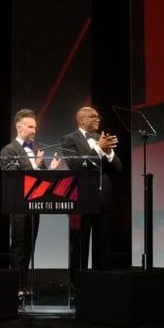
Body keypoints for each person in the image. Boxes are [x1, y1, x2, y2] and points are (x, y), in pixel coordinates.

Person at [0, 109, 61, 300]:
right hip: (19, 206)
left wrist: (48, 170)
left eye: (35, 126)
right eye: (30, 126)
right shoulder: (9, 150)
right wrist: (34, 166)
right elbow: (12, 176)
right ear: (19, 127)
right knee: (18, 247)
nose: (34, 129)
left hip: (35, 207)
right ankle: (15, 286)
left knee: (29, 246)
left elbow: (40, 181)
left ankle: (24, 285)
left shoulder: (34, 152)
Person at [60, 106, 122, 272]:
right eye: (93, 116)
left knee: (104, 243)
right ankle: (78, 283)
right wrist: (98, 149)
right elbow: (77, 165)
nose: (98, 119)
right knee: (79, 242)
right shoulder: (69, 139)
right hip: (81, 198)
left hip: (104, 198)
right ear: (81, 120)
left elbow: (118, 168)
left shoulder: (101, 138)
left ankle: (101, 282)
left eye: (98, 116)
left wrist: (109, 153)